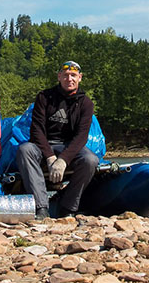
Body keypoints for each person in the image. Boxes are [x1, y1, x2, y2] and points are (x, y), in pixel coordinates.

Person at [16, 60, 99, 219]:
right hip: (44, 146)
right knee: (24, 150)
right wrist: (50, 157)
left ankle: (68, 207)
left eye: (74, 75)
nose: (70, 79)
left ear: (80, 78)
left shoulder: (86, 103)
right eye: (66, 75)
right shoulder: (44, 97)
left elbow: (81, 136)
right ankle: (41, 207)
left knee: (90, 160)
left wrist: (63, 160)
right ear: (59, 77)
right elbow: (36, 130)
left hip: (69, 147)